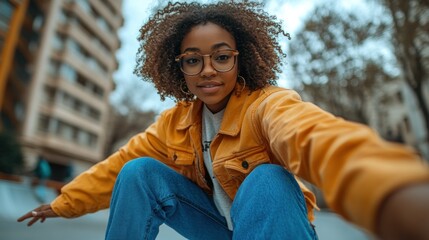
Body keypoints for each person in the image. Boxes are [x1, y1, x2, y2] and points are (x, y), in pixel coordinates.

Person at [18, 1, 429, 239]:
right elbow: (113, 170)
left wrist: (391, 190)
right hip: (219, 230)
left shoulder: (267, 105)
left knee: (267, 179)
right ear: (179, 69)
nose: (208, 70)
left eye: (221, 56)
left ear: (241, 58)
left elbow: (313, 136)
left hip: (272, 229)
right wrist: (61, 204)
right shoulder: (173, 124)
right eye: (193, 61)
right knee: (138, 170)